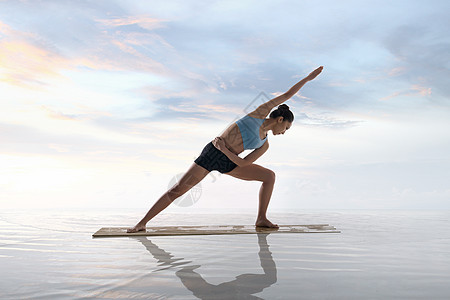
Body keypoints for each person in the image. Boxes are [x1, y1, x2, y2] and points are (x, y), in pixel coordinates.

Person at [127, 66, 323, 233]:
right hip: (212, 153)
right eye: (286, 128)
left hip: (229, 160)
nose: (284, 132)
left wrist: (226, 151)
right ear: (280, 119)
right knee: (178, 189)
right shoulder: (258, 113)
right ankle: (142, 223)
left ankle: (261, 218)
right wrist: (307, 78)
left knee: (269, 176)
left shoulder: (265, 144)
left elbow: (245, 163)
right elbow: (287, 95)